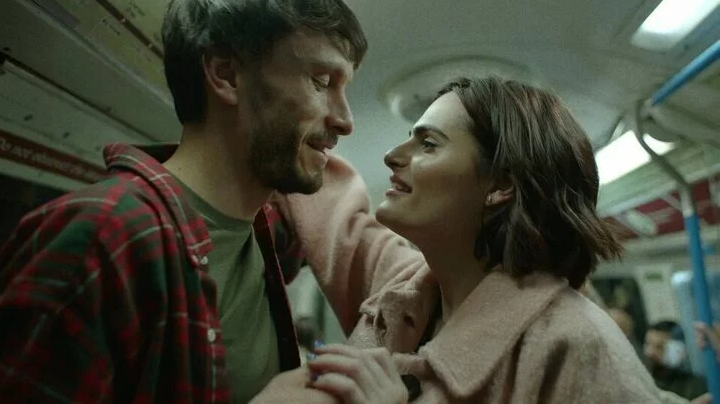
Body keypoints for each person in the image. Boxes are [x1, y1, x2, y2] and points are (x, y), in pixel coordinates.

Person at [0, 0, 367, 403]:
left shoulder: (264, 231)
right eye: (321, 81)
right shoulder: (99, 240)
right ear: (226, 75)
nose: (346, 120)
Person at [269, 76, 668, 403]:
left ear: (500, 185)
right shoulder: (405, 291)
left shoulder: (580, 347)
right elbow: (337, 218)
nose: (391, 155)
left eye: (428, 144)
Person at [645, 321, 708, 400]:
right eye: (647, 344)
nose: (649, 352)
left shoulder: (696, 387)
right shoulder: (643, 383)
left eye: (659, 347)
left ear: (678, 351)